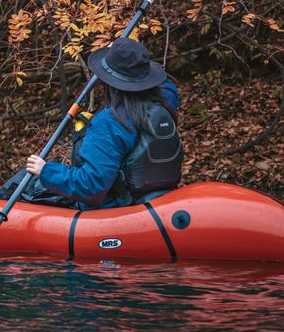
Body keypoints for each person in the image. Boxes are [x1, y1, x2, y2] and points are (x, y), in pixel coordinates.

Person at [26, 37, 182, 210]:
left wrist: (46, 170)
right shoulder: (165, 103)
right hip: (150, 201)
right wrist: (120, 55)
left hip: (117, 211)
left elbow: (92, 186)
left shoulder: (109, 123)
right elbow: (168, 87)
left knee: (27, 184)